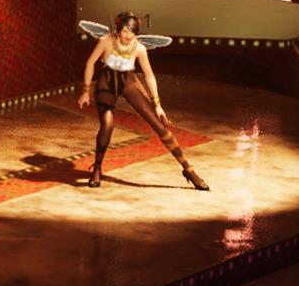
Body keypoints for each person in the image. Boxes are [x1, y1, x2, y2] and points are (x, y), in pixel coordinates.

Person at [76, 12, 209, 190]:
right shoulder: (106, 41)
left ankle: (188, 168)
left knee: (159, 126)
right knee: (107, 124)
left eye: (132, 32)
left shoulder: (139, 48)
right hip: (106, 82)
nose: (128, 36)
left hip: (128, 82)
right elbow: (90, 62)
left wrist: (157, 104)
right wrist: (85, 91)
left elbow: (149, 75)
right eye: (125, 31)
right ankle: (97, 168)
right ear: (118, 29)